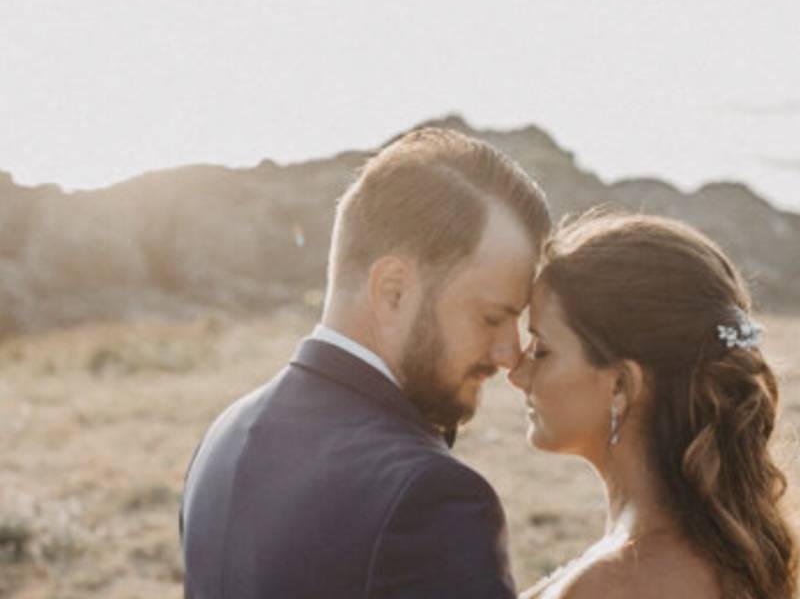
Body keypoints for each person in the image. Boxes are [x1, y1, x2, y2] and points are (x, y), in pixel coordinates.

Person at [180, 127, 552, 598]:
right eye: (492, 317)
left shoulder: (225, 433)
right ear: (393, 290)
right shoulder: (430, 497)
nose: (508, 354)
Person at [508, 209, 800, 599]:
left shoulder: (616, 586)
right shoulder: (713, 551)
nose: (517, 374)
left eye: (542, 350)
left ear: (622, 385)